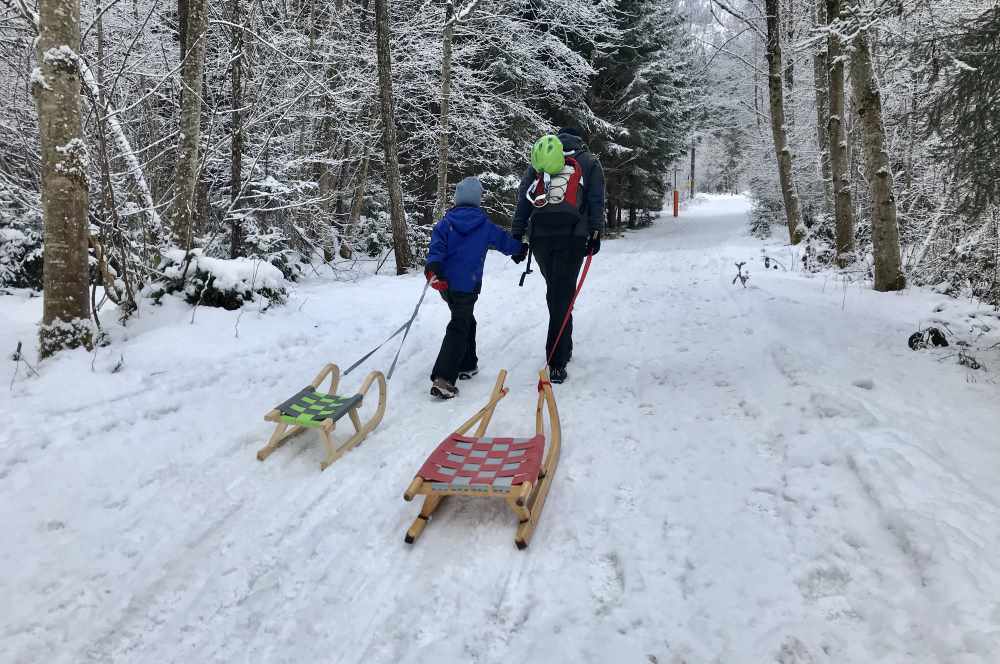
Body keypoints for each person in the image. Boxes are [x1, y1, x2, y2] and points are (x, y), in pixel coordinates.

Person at [511, 127, 605, 384]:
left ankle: (565, 346)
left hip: (541, 236)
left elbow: (524, 199)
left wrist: (517, 234)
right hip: (573, 236)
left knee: (558, 291)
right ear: (579, 140)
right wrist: (596, 232)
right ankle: (556, 361)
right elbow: (596, 200)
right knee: (561, 294)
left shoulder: (541, 159)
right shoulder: (589, 161)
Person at [425, 177, 525, 399]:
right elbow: (504, 242)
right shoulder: (484, 225)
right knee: (459, 325)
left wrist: (434, 267)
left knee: (466, 320)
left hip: (446, 286)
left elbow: (436, 249)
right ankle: (443, 378)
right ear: (477, 200)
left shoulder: (445, 223)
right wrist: (519, 250)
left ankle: (467, 364)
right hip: (467, 286)